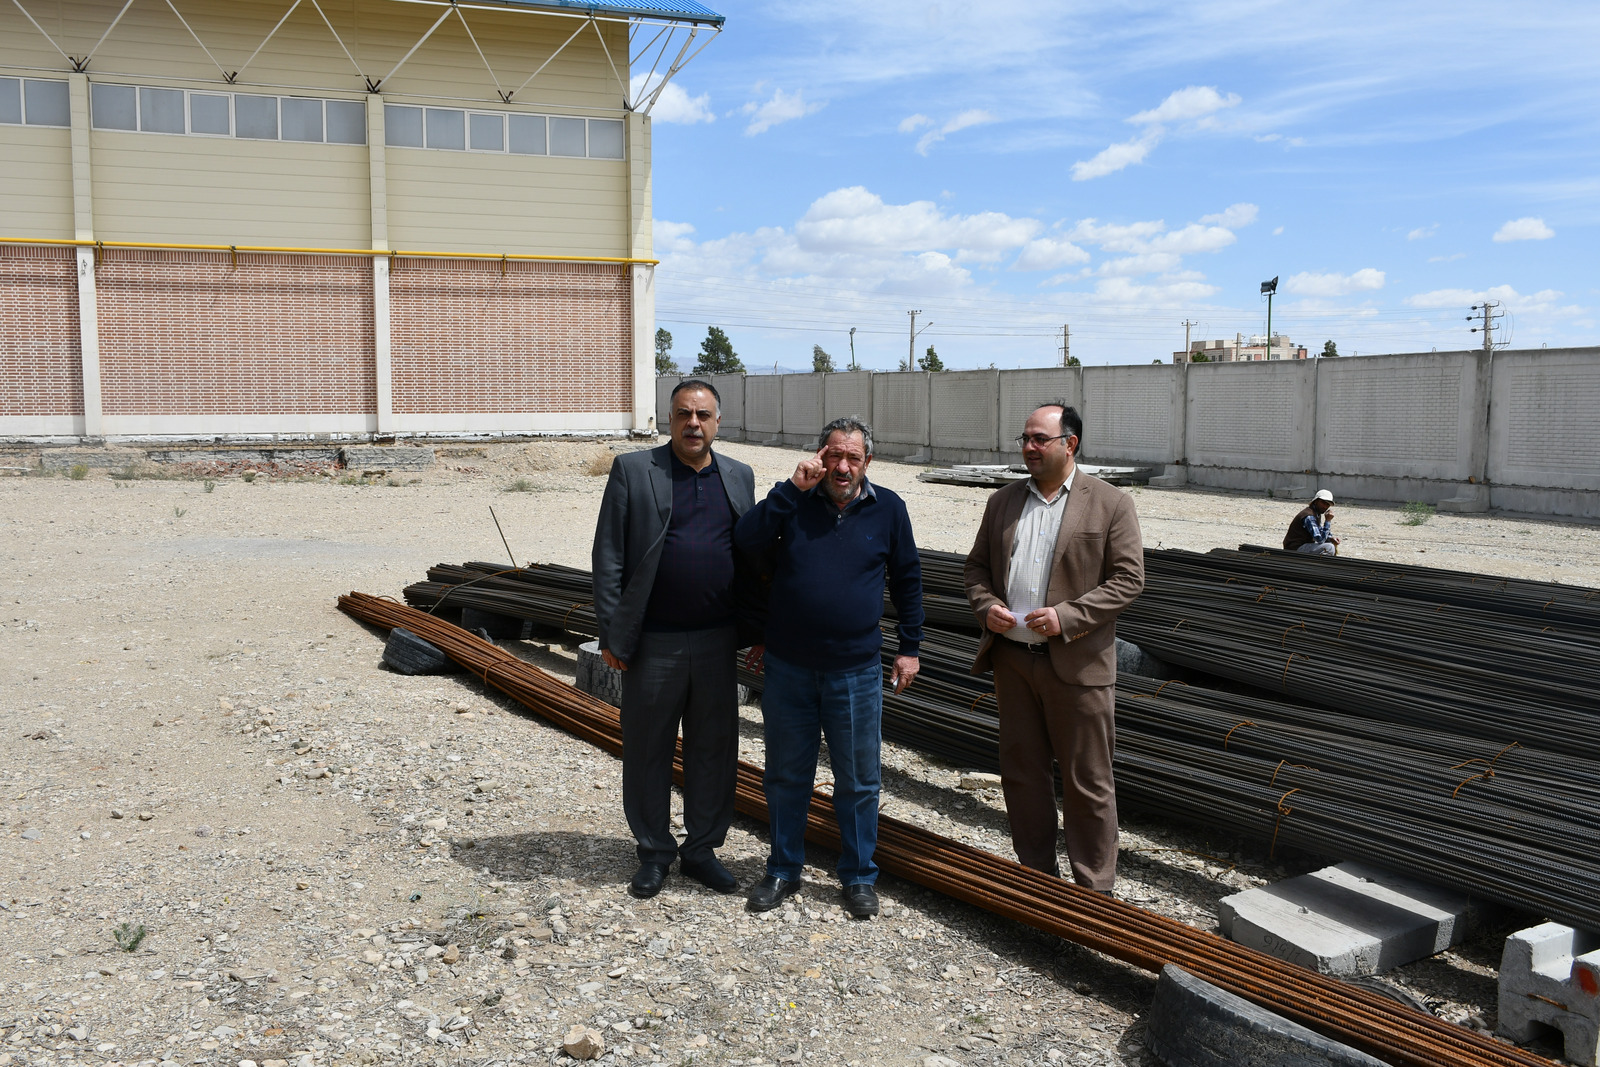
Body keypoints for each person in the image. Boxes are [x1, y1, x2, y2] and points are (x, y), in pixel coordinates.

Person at [733, 416, 924, 918]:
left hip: (855, 672)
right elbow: (746, 541)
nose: (842, 467)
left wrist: (909, 647)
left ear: (868, 462)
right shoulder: (793, 502)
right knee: (785, 775)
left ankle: (858, 876)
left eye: (852, 458)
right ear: (819, 456)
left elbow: (908, 580)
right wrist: (791, 487)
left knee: (858, 780)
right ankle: (782, 868)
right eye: (833, 455)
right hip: (789, 669)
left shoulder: (890, 509)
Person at [962, 401, 1144, 892]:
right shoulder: (1002, 502)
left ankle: (1094, 891)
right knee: (1022, 776)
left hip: (1078, 666)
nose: (1029, 447)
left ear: (1070, 444)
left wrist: (1066, 617)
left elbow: (1129, 580)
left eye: (1039, 439)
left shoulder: (1109, 503)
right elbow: (976, 568)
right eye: (1024, 438)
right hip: (1013, 662)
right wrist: (986, 607)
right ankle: (1038, 880)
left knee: (1088, 781)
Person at [591, 379, 761, 900]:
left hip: (716, 641)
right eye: (684, 413)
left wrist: (760, 627)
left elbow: (753, 556)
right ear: (669, 419)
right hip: (654, 644)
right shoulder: (634, 470)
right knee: (648, 750)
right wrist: (613, 633)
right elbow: (609, 555)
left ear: (718, 422)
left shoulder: (738, 475)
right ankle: (654, 852)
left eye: (703, 415)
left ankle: (702, 850)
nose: (693, 423)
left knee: (714, 750)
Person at [1284, 489, 1339, 556]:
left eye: (1327, 504)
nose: (1325, 506)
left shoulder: (1316, 514)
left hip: (1302, 546)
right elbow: (1320, 539)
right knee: (1329, 548)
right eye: (1323, 503)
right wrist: (1328, 521)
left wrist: (1330, 538)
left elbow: (1319, 531)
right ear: (1316, 501)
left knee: (1330, 544)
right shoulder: (1309, 516)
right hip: (1295, 548)